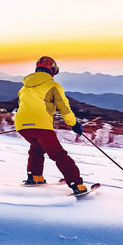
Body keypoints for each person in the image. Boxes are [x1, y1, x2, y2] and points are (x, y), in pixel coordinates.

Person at [15, 56, 89, 195]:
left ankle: (35, 176)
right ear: (53, 70)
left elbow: (23, 106)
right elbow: (64, 108)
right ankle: (77, 184)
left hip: (22, 126)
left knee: (36, 148)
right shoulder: (54, 86)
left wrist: (26, 124)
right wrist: (74, 124)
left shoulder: (24, 87)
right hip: (42, 127)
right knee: (58, 154)